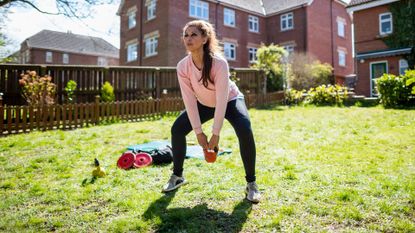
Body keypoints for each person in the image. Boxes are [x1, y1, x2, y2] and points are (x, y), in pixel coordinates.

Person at [162, 20, 261, 203]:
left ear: (205, 38)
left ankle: (251, 183)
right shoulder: (182, 66)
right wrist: (199, 133)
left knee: (245, 129)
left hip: (230, 100)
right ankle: (177, 176)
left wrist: (215, 134)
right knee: (177, 129)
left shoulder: (219, 64)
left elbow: (222, 99)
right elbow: (189, 100)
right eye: (186, 35)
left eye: (194, 35)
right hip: (204, 103)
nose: (188, 38)